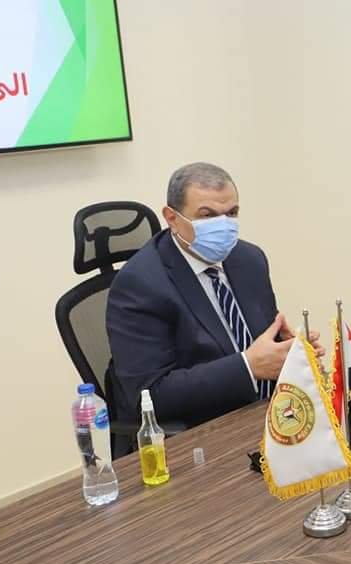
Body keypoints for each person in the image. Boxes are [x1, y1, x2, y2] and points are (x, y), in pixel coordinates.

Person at [106, 162, 323, 439]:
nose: (223, 225)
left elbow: (258, 340)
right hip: (202, 431)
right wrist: (248, 367)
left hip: (269, 416)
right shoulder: (140, 284)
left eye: (231, 213)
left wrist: (289, 351)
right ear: (172, 218)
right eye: (207, 215)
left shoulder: (249, 258)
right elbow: (149, 394)